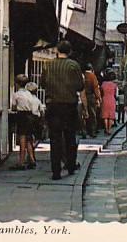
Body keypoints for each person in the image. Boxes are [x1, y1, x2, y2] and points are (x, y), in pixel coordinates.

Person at [40, 40, 84, 180]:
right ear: (69, 51)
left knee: (55, 139)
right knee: (70, 137)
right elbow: (79, 85)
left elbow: (42, 83)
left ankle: (56, 171)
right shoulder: (73, 65)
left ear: (57, 51)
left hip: (53, 105)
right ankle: (70, 166)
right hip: (69, 105)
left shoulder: (48, 65)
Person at [10, 74, 35, 170]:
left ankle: (21, 162)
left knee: (22, 138)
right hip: (30, 115)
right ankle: (32, 160)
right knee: (28, 138)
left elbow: (13, 107)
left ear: (17, 84)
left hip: (22, 116)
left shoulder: (16, 95)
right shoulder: (29, 94)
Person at [25, 81, 45, 167]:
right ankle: (32, 153)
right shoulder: (37, 100)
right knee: (37, 137)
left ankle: (31, 156)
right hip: (36, 119)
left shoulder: (27, 99)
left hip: (29, 118)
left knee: (29, 138)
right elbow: (42, 111)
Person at [84, 63, 102, 138]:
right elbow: (95, 88)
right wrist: (99, 98)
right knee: (92, 114)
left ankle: (85, 131)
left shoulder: (82, 75)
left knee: (84, 114)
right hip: (90, 96)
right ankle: (92, 131)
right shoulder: (92, 76)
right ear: (92, 69)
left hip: (82, 96)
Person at [101, 70, 118, 135]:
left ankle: (106, 128)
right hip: (112, 100)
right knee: (111, 116)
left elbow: (101, 92)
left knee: (105, 116)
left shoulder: (103, 84)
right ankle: (109, 129)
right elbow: (116, 94)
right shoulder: (114, 85)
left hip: (105, 99)